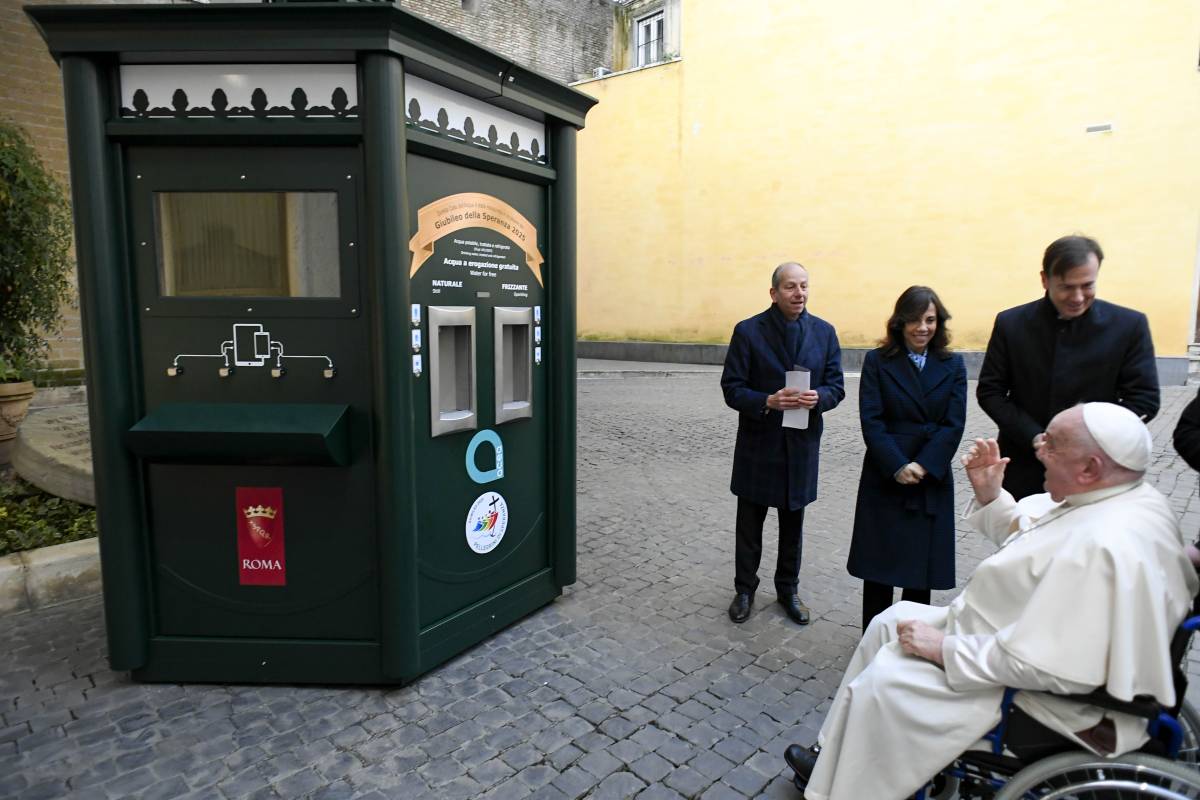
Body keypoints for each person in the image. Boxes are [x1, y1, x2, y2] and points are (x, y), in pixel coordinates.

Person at [784, 402, 1197, 800]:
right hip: (1011, 638)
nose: (1039, 449)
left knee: (885, 683)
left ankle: (851, 788)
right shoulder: (1118, 497)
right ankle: (831, 758)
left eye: (1052, 444)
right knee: (889, 620)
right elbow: (1036, 542)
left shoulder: (1109, 543)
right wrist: (990, 497)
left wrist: (943, 648)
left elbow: (1046, 666)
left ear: (1090, 468)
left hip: (1048, 699)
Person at [977, 235, 1159, 500]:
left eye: (1087, 285)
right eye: (1066, 287)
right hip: (1025, 467)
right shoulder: (1011, 324)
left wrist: (1089, 442)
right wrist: (1035, 437)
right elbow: (990, 392)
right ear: (1044, 279)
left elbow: (1144, 399)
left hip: (1096, 471)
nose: (1077, 297)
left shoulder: (1129, 326)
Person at [720, 262, 845, 625]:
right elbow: (732, 388)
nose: (799, 293)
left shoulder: (824, 332)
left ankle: (788, 590)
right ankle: (744, 589)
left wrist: (819, 396)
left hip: (801, 445)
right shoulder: (748, 331)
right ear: (774, 293)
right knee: (750, 523)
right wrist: (767, 401)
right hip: (760, 443)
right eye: (791, 287)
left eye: (804, 286)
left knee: (793, 524)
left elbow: (837, 385)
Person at [847, 286, 967, 632]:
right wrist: (898, 464)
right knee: (879, 570)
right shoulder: (877, 361)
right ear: (899, 323)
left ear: (938, 322)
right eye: (914, 320)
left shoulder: (953, 364)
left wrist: (925, 464)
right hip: (887, 476)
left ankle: (910, 641)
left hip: (930, 480)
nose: (922, 328)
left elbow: (953, 424)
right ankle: (873, 639)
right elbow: (871, 419)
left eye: (929, 320)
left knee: (919, 572)